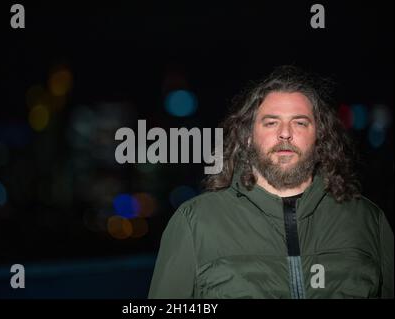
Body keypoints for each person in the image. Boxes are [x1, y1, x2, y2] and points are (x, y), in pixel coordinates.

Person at [148, 65, 394, 299]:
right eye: (271, 122)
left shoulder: (368, 221)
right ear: (247, 138)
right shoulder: (196, 223)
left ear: (320, 137)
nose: (285, 133)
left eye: (299, 122)